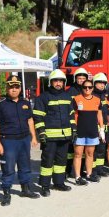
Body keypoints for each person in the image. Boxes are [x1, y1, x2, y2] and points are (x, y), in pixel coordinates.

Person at [0, 75, 39, 206]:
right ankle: (6, 194)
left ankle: (26, 189)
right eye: (11, 87)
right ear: (7, 88)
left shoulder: (25, 103)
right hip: (8, 141)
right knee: (8, 168)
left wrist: (33, 137)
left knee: (25, 166)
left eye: (16, 87)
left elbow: (30, 120)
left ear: (20, 88)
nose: (14, 89)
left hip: (24, 139)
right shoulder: (0, 104)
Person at [33, 69, 76, 197]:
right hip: (50, 136)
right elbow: (38, 116)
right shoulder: (43, 97)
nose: (58, 83)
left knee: (61, 161)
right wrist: (41, 133)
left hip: (64, 136)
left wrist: (73, 129)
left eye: (60, 81)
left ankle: (59, 182)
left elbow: (71, 114)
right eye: (55, 81)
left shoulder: (67, 97)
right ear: (51, 82)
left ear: (64, 82)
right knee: (47, 161)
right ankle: (45, 186)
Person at [71, 79, 104, 185]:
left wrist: (101, 128)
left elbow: (99, 115)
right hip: (79, 132)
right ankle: (77, 177)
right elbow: (74, 115)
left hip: (92, 131)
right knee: (78, 154)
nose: (87, 89)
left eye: (90, 87)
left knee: (90, 154)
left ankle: (89, 174)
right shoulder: (76, 99)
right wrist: (74, 129)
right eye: (85, 87)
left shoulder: (97, 100)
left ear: (93, 88)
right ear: (82, 88)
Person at [91, 73, 109, 178]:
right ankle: (93, 170)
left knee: (101, 150)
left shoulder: (104, 95)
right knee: (93, 150)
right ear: (94, 83)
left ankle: (100, 169)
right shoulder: (92, 95)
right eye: (99, 83)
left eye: (103, 83)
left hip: (104, 127)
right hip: (94, 127)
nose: (102, 85)